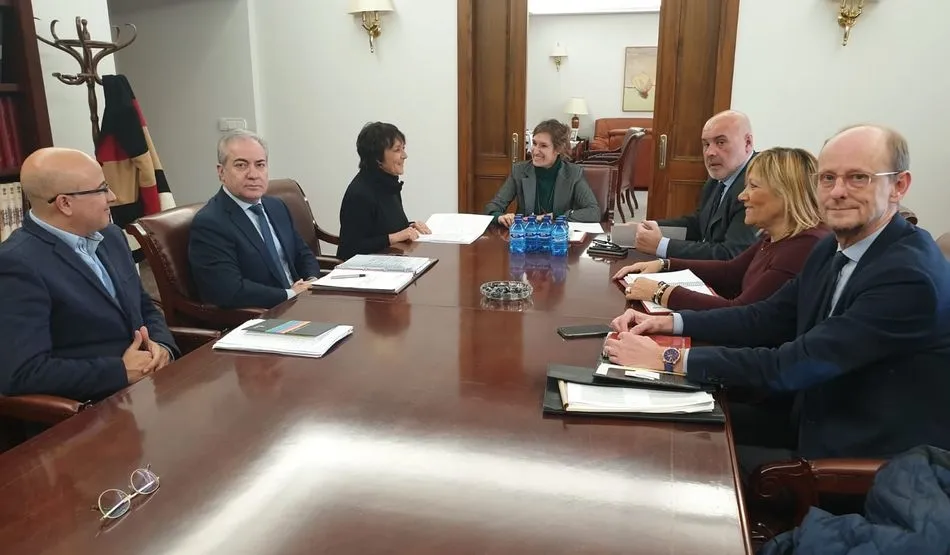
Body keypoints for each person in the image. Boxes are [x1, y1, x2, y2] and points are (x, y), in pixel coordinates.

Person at [605, 125, 950, 476]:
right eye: (827, 178)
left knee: (673, 457)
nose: (838, 191)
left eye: (858, 178)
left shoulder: (909, 277)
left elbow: (795, 364)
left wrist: (667, 357)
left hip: (857, 462)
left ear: (899, 186)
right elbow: (763, 317)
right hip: (809, 416)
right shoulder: (833, 246)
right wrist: (669, 322)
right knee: (654, 420)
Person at [0, 148, 179, 402]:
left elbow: (143, 305)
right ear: (65, 203)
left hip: (147, 390)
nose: (114, 196)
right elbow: (22, 372)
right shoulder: (16, 264)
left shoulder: (111, 236)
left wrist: (162, 347)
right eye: (102, 188)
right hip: (87, 412)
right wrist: (119, 372)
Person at [614, 147, 829, 311]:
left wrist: (662, 292)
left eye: (753, 186)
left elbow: (742, 313)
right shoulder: (776, 236)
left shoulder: (804, 247)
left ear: (786, 194)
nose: (742, 196)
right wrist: (664, 264)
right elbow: (731, 271)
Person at [189, 130, 321, 309]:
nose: (253, 174)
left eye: (260, 165)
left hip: (301, 302)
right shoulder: (211, 223)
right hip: (261, 316)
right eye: (241, 165)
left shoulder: (276, 206)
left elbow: (303, 254)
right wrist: (290, 294)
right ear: (221, 172)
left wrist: (311, 282)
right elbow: (229, 290)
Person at [634, 110, 759, 260]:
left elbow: (731, 254)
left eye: (720, 142)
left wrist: (662, 245)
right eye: (706, 144)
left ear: (748, 143)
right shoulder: (717, 178)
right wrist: (650, 226)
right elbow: (699, 224)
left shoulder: (757, 185)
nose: (710, 152)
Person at [337, 122, 431, 260]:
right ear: (377, 157)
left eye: (403, 149)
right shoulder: (360, 194)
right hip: (364, 272)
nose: (404, 155)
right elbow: (351, 248)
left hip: (389, 261)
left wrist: (411, 227)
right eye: (397, 150)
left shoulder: (389, 183)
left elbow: (383, 227)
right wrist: (396, 236)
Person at [484, 119, 601, 227]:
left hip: (558, 240)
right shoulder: (519, 171)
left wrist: (555, 216)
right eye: (534, 143)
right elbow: (492, 208)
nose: (535, 151)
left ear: (558, 149)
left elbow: (593, 212)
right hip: (526, 238)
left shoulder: (573, 173)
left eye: (543, 146)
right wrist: (500, 217)